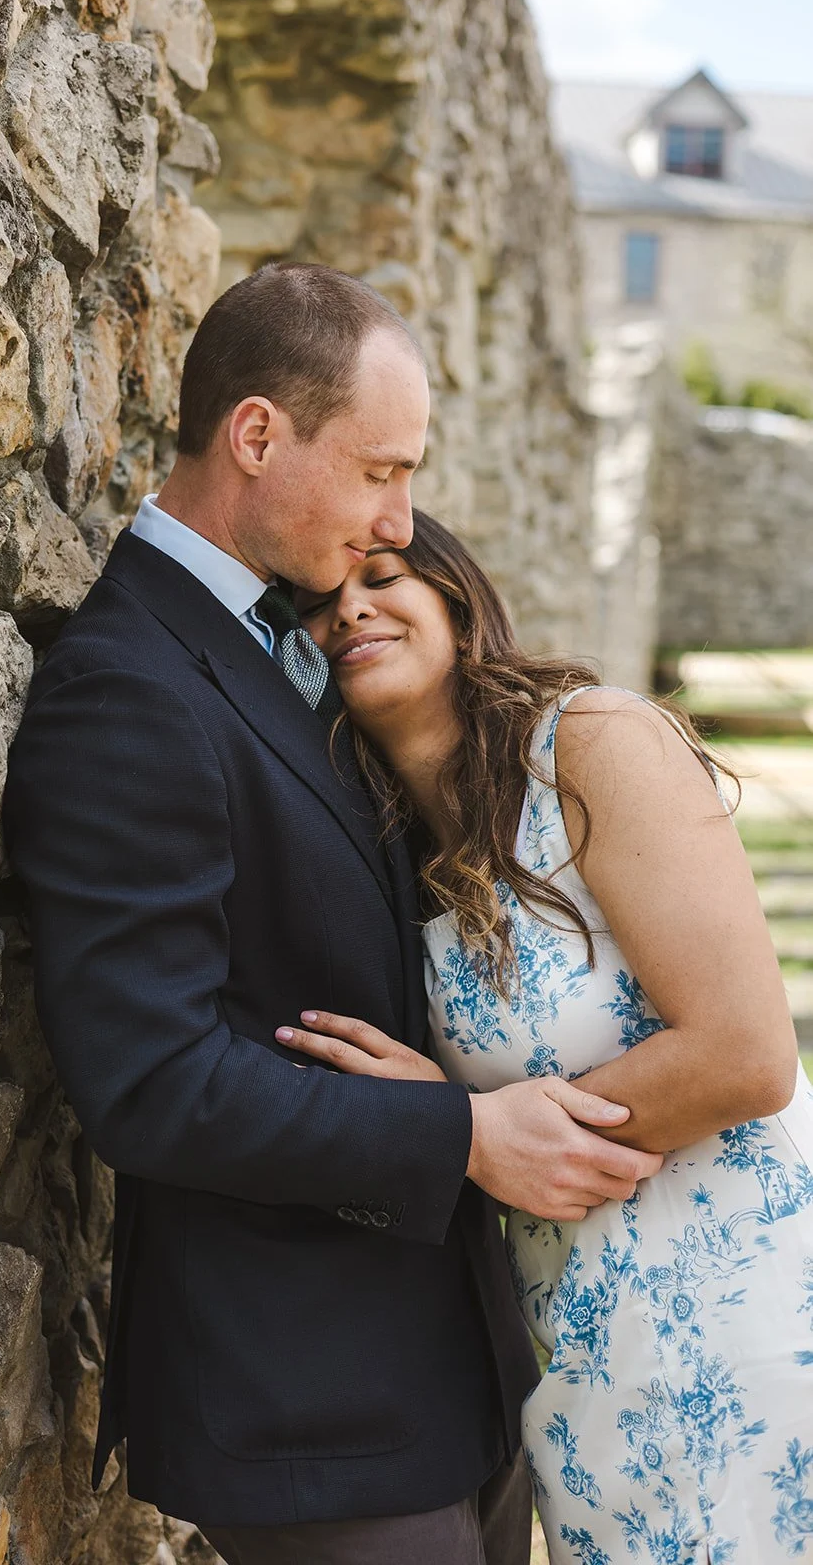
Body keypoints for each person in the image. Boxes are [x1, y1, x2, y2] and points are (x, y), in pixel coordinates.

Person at [2, 264, 665, 1565]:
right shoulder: (127, 688)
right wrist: (461, 1136)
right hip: (307, 1401)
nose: (395, 519)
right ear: (256, 436)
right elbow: (149, 1083)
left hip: (448, 1369)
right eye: (377, 472)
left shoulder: (273, 647)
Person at [281, 509, 813, 1564]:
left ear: (455, 598)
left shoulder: (589, 743)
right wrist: (458, 1126)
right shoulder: (383, 854)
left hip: (733, 1324)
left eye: (381, 575)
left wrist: (470, 1129)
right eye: (311, 602)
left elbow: (745, 1054)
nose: (347, 605)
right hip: (576, 1365)